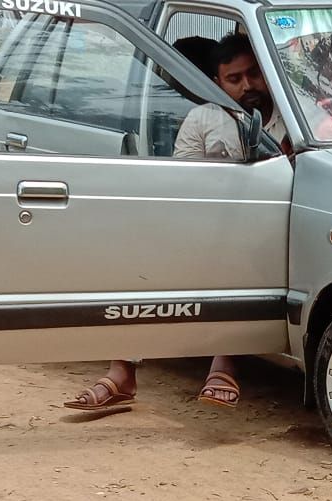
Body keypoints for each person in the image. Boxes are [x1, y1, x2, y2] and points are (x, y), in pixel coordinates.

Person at [65, 34, 284, 412]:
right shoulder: (204, 118)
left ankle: (223, 363)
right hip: (212, 227)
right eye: (234, 79)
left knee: (234, 264)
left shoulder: (292, 118)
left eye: (253, 74)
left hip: (274, 231)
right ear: (217, 83)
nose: (247, 86)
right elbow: (185, 182)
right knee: (143, 269)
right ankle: (122, 372)